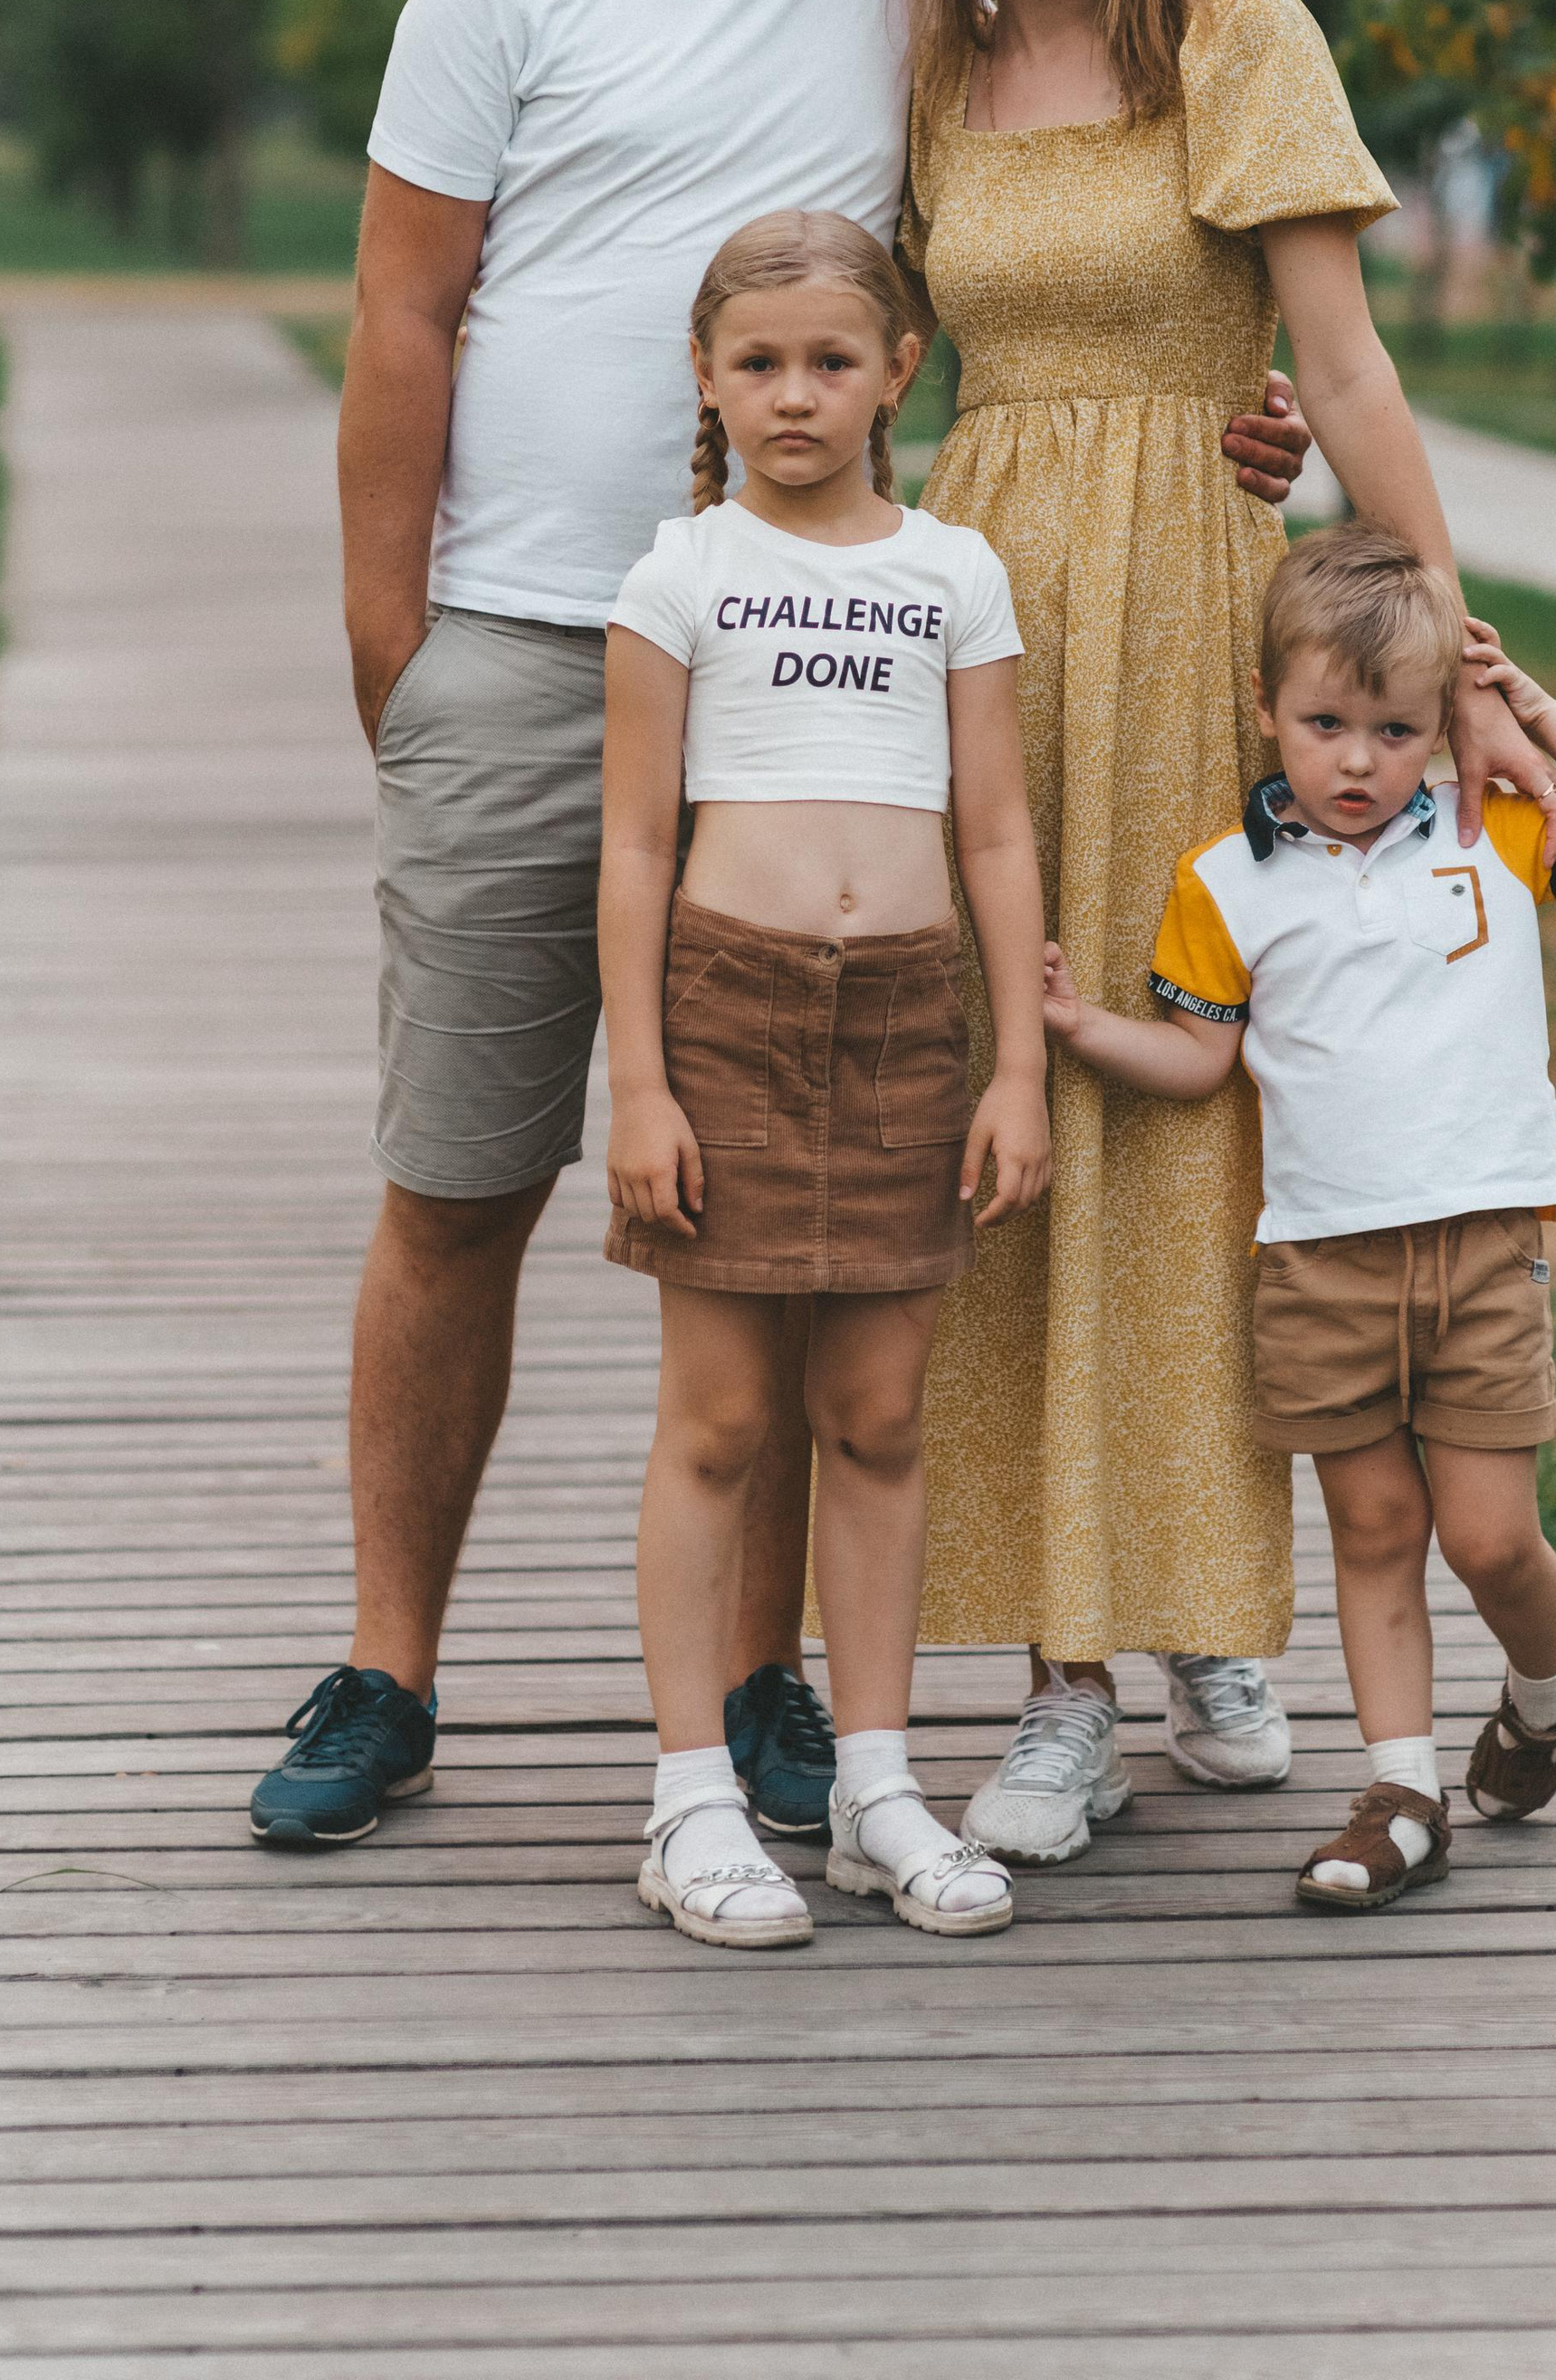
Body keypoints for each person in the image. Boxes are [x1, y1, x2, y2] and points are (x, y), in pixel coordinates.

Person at [245, 0, 1315, 1848]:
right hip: (535, 637)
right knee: (460, 1173)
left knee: (785, 1195)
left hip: (825, 672)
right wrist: (392, 650)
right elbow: (402, 312)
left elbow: (1072, 239)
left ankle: (753, 1695)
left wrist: (1255, 410)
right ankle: (385, 1666)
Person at [886, 0, 1556, 1868]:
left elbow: (1339, 371)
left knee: (1200, 1115)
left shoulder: (1232, 34)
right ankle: (1055, 1676)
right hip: (979, 634)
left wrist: (1446, 651)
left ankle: (1208, 1619)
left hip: (1195, 622)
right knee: (1016, 1092)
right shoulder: (916, 56)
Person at [1042, 520, 1556, 1907]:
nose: (1353, 760)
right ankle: (1400, 1795)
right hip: (1320, 1257)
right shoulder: (1228, 880)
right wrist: (1083, 1028)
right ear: (1268, 709)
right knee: (1378, 1530)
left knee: (1491, 1539)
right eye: (1323, 722)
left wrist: (1516, 705)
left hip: (1480, 1248)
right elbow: (1202, 1057)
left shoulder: (1489, 832)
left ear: (1434, 730)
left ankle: (1547, 1680)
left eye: (1393, 730)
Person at [604, 212, 1047, 1945]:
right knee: (719, 1423)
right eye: (760, 363)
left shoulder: (954, 573)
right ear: (709, 378)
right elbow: (635, 850)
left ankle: (873, 1789)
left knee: (874, 1417)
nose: (798, 396)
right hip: (728, 1015)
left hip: (910, 1024)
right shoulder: (679, 576)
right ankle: (690, 1800)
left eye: (834, 361)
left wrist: (1016, 1064)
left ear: (899, 372)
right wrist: (640, 1085)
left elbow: (998, 831)